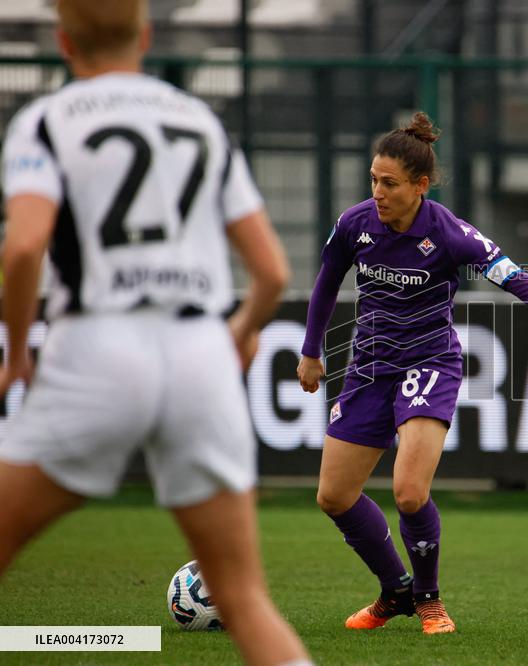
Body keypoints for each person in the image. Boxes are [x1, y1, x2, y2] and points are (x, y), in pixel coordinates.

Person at [0, 2, 311, 665]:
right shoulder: (197, 119)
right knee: (245, 598)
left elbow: (24, 248)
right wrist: (239, 332)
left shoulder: (45, 122)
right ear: (144, 36)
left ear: (62, 41)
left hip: (96, 348)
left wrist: (19, 351)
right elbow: (272, 271)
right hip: (198, 352)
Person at [297, 112, 528, 635]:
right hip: (368, 367)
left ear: (420, 186)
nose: (377, 193)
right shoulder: (353, 225)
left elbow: (525, 282)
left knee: (410, 492)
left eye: (389, 184)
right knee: (334, 496)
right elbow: (325, 285)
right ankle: (395, 592)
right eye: (373, 180)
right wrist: (311, 351)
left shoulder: (451, 234)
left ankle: (430, 600)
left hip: (428, 363)